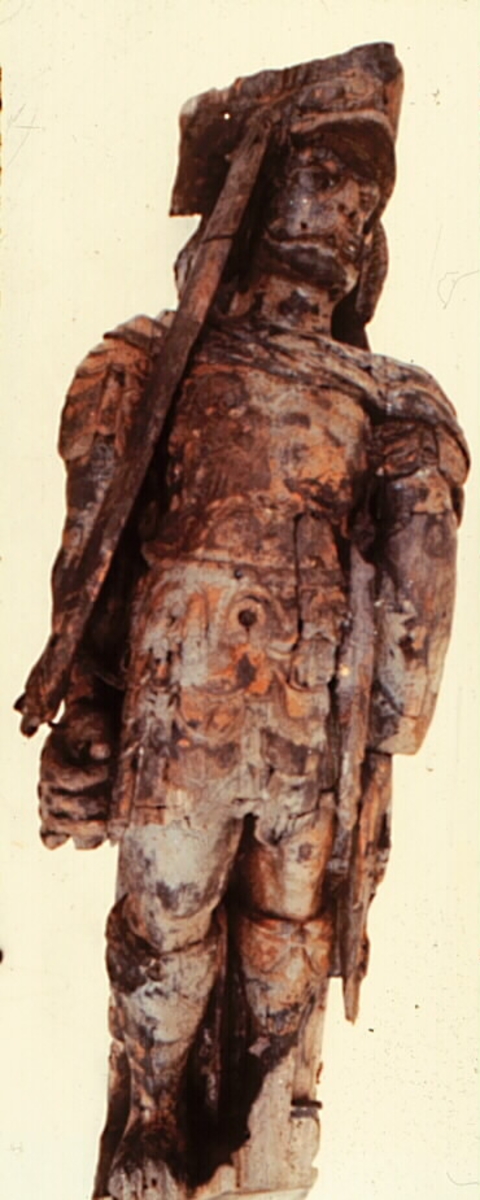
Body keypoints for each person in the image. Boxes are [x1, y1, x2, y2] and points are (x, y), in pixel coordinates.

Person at [24, 44, 469, 1200]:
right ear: (259, 184)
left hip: (312, 727)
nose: (348, 209)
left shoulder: (393, 396)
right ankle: (150, 1124)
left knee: (286, 938)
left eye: (366, 193)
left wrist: (423, 488)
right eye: (327, 175)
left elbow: (413, 625)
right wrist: (91, 704)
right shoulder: (145, 364)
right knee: (165, 930)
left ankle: (264, 1127)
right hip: (179, 703)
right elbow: (95, 556)